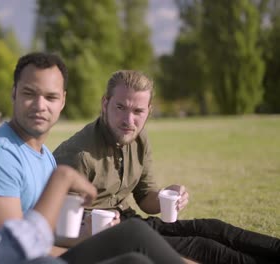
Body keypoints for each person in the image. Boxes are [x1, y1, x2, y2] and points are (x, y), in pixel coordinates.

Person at [0, 77, 184, 264]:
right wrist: (59, 183)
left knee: (135, 247)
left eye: (51, 97)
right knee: (135, 247)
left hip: (44, 252)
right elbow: (7, 252)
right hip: (32, 257)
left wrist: (82, 235)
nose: (41, 106)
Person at [53, 70, 280, 264]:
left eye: (138, 112)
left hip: (132, 222)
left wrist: (165, 196)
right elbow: (61, 224)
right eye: (120, 107)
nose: (128, 120)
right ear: (105, 103)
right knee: (204, 247)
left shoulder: (138, 139)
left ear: (149, 111)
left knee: (214, 228)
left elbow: (145, 199)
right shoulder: (79, 155)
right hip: (107, 238)